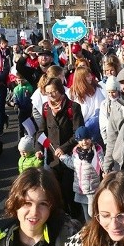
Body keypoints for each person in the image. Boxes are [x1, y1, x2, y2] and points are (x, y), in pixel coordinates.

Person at [38, 78, 85, 219]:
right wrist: (38, 149)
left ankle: (75, 220)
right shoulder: (46, 108)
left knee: (69, 191)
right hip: (53, 158)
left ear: (60, 90)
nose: (51, 95)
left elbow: (78, 133)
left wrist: (64, 148)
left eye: (54, 92)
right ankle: (61, 220)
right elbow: (41, 131)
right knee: (55, 192)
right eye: (48, 93)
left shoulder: (73, 107)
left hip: (70, 158)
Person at [60, 126, 104, 221]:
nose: (84, 142)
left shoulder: (96, 151)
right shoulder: (76, 153)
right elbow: (72, 164)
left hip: (92, 189)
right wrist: (63, 157)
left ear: (90, 138)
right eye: (81, 140)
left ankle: (96, 230)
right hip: (81, 189)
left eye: (86, 139)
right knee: (86, 214)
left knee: (92, 213)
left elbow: (102, 163)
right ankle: (90, 231)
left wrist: (106, 170)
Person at [68, 67, 106, 143]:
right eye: (87, 76)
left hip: (94, 124)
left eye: (90, 75)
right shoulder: (72, 93)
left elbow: (100, 107)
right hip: (78, 124)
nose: (91, 77)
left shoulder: (96, 89)